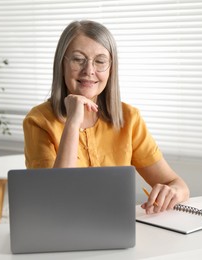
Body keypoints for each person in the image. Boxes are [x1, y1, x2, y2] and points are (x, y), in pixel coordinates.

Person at [23, 20, 189, 214]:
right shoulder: (38, 121)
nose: (89, 70)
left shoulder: (129, 118)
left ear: (111, 69)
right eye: (78, 59)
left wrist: (173, 192)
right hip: (63, 232)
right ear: (62, 63)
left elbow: (177, 184)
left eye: (100, 61)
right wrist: (73, 122)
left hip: (118, 230)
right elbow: (56, 202)